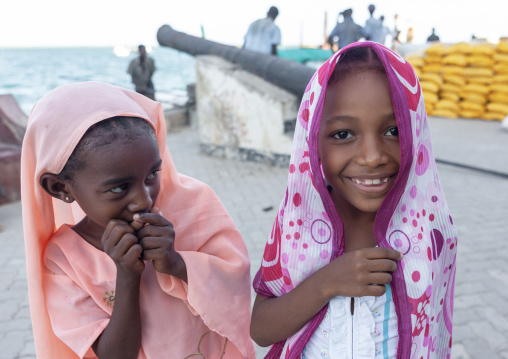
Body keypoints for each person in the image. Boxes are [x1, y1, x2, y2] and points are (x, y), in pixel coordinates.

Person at [250, 43, 458, 358]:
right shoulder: (297, 224)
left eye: (393, 130)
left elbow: (434, 335)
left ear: (416, 132)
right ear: (312, 142)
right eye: (344, 134)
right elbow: (262, 330)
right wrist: (327, 282)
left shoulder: (429, 233)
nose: (373, 157)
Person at [20, 81, 256, 358]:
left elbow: (236, 282)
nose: (144, 200)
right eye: (119, 187)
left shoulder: (196, 204)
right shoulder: (62, 261)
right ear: (60, 188)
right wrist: (127, 275)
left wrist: (178, 264)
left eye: (152, 175)